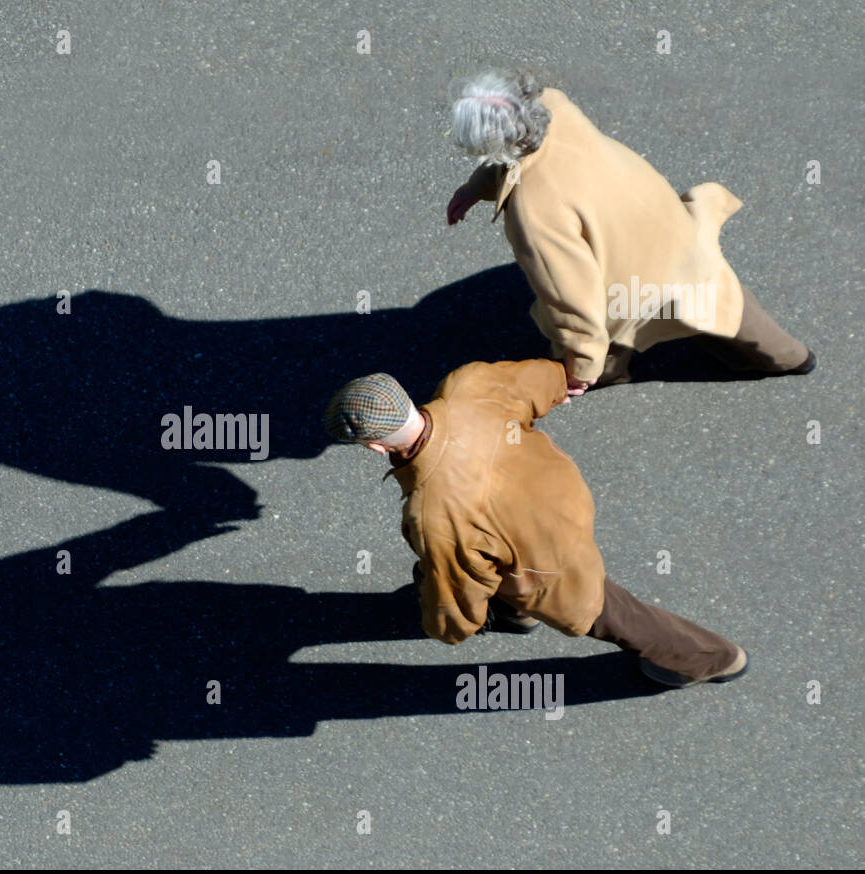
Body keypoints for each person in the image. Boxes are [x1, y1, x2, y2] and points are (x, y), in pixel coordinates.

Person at [321, 363, 749, 687]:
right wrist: (564, 382)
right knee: (497, 564)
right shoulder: (467, 387)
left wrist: (445, 628)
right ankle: (515, 611)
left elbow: (456, 592)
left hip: (543, 553)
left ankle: (706, 656)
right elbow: (537, 380)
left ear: (376, 446)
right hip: (559, 494)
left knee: (605, 610)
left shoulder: (434, 513)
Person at [445, 69, 814, 395]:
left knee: (600, 332)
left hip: (634, 285)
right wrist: (477, 187)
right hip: (669, 225)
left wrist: (581, 370)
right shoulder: (553, 107)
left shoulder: (535, 212)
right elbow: (517, 154)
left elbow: (572, 303)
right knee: (726, 305)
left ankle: (607, 373)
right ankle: (792, 358)